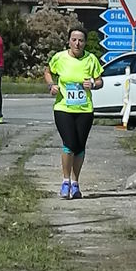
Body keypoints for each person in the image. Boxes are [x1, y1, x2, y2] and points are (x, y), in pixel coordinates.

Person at [44, 25, 103, 199]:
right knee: (69, 143)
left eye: (81, 41)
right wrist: (51, 85)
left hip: (85, 109)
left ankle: (76, 183)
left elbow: (100, 81)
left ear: (85, 43)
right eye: (74, 40)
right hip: (63, 108)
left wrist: (92, 84)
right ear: (69, 41)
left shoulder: (91, 59)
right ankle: (65, 181)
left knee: (79, 146)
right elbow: (48, 72)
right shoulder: (60, 57)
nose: (77, 43)